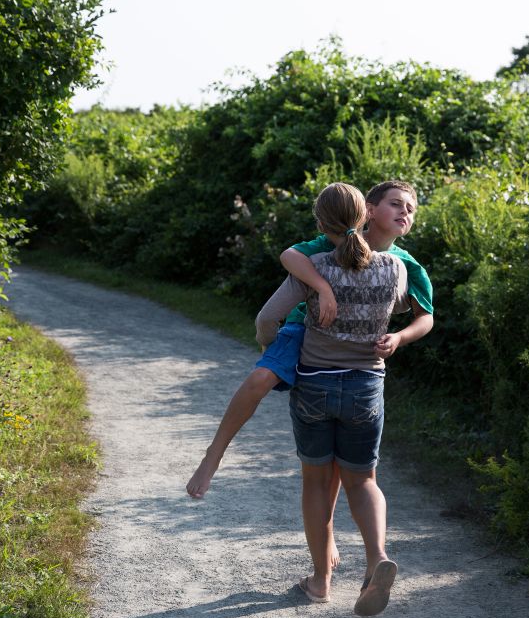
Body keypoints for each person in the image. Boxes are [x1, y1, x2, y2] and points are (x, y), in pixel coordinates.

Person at [184, 180, 432, 500]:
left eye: (411, 209)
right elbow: (290, 256)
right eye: (397, 204)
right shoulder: (339, 237)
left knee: (335, 465)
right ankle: (214, 454)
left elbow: (425, 317)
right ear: (368, 210)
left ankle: (325, 540)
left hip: (356, 356)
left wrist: (400, 337)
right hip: (304, 327)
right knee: (260, 377)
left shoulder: (407, 266)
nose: (405, 212)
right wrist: (324, 288)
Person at [255, 182, 410, 616]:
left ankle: (321, 581)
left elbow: (268, 317)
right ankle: (377, 557)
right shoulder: (395, 268)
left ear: (321, 225)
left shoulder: (315, 267)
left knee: (316, 482)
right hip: (365, 386)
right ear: (365, 217)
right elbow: (397, 308)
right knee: (363, 481)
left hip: (316, 384)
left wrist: (276, 351)